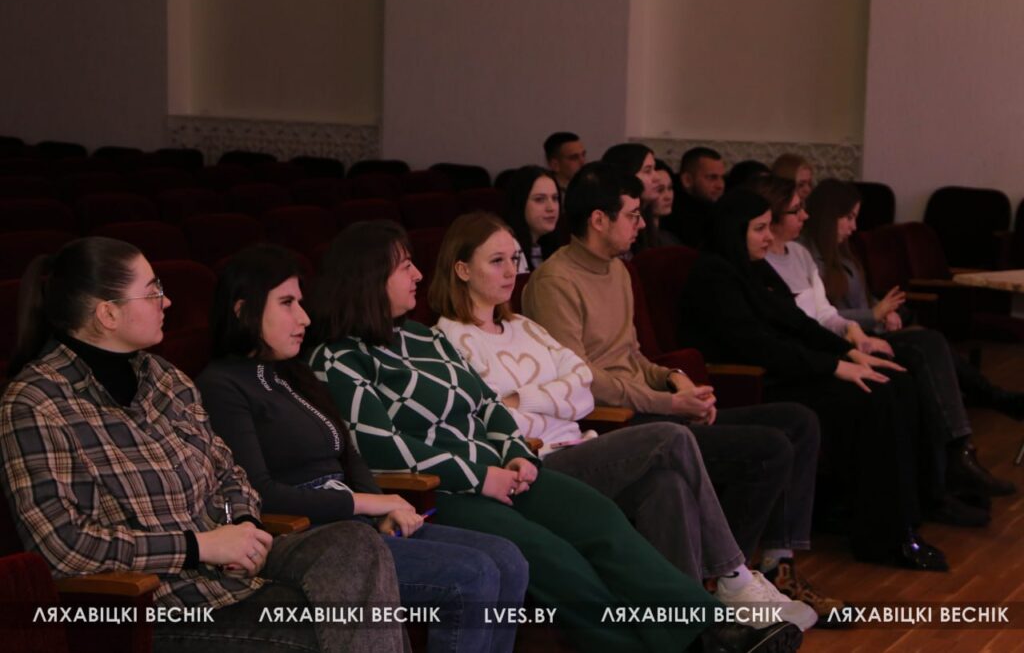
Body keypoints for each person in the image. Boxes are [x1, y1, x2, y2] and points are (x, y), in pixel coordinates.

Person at [306, 220, 803, 653]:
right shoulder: (338, 358)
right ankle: (660, 646)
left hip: (502, 471)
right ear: (368, 277)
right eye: (404, 267)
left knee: (599, 518)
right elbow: (381, 446)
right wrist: (481, 476)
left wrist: (515, 454)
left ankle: (712, 629)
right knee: (551, 554)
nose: (417, 274)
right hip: (441, 492)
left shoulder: (423, 337)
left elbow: (487, 405)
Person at [0, 237, 405, 653]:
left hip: (234, 576)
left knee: (355, 547)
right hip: (155, 606)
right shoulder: (36, 402)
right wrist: (198, 547)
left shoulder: (164, 377)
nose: (167, 301)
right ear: (108, 313)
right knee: (337, 628)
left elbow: (230, 473)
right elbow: (64, 546)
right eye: (153, 291)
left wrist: (244, 525)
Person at [430, 211, 819, 631]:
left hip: (579, 444)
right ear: (462, 269)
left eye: (514, 259)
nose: (511, 271)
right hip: (536, 464)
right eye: (496, 261)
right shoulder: (448, 339)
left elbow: (581, 386)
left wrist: (524, 397)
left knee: (666, 486)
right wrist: (549, 399)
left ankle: (691, 627)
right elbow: (496, 418)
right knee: (671, 437)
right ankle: (733, 575)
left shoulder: (523, 326)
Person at [521, 163, 842, 619]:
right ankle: (728, 578)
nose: (641, 224)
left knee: (797, 421)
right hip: (612, 423)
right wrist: (668, 402)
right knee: (768, 449)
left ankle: (768, 565)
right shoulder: (555, 281)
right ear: (598, 220)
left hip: (650, 407)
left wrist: (674, 379)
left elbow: (632, 356)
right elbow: (580, 378)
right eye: (632, 215)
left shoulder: (618, 271)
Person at [196, 244, 529, 653]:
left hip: (358, 523)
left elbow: (348, 455)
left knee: (509, 559)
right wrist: (371, 503)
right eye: (286, 303)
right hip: (312, 538)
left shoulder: (293, 373)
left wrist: (384, 508)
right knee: (472, 574)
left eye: (301, 302)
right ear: (243, 310)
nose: (303, 317)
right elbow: (261, 493)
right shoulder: (221, 386)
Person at [678, 189, 949, 571]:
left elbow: (796, 322)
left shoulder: (750, 267)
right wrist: (834, 367)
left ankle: (909, 515)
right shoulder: (714, 275)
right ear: (734, 231)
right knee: (873, 394)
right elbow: (758, 346)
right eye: (759, 229)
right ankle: (883, 536)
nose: (769, 236)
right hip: (755, 381)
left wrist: (848, 352)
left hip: (787, 368)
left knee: (895, 381)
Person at [756, 175, 1007, 526]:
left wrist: (856, 332)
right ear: (772, 217)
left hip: (839, 343)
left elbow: (826, 314)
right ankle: (941, 475)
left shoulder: (799, 254)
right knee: (909, 367)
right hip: (813, 358)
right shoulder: (763, 266)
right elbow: (797, 327)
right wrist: (863, 327)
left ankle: (943, 473)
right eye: (796, 210)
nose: (805, 216)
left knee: (923, 354)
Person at [601, 144, 680, 252]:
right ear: (627, 175)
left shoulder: (659, 232)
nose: (657, 177)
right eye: (647, 171)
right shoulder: (616, 229)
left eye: (654, 169)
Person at [501, 165, 564, 273]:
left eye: (555, 198)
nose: (551, 208)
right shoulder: (505, 250)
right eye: (539, 199)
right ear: (519, 203)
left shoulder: (555, 248)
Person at [662, 146, 727, 248]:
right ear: (687, 180)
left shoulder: (718, 208)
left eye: (722, 178)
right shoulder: (669, 211)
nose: (720, 185)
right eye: (712, 177)